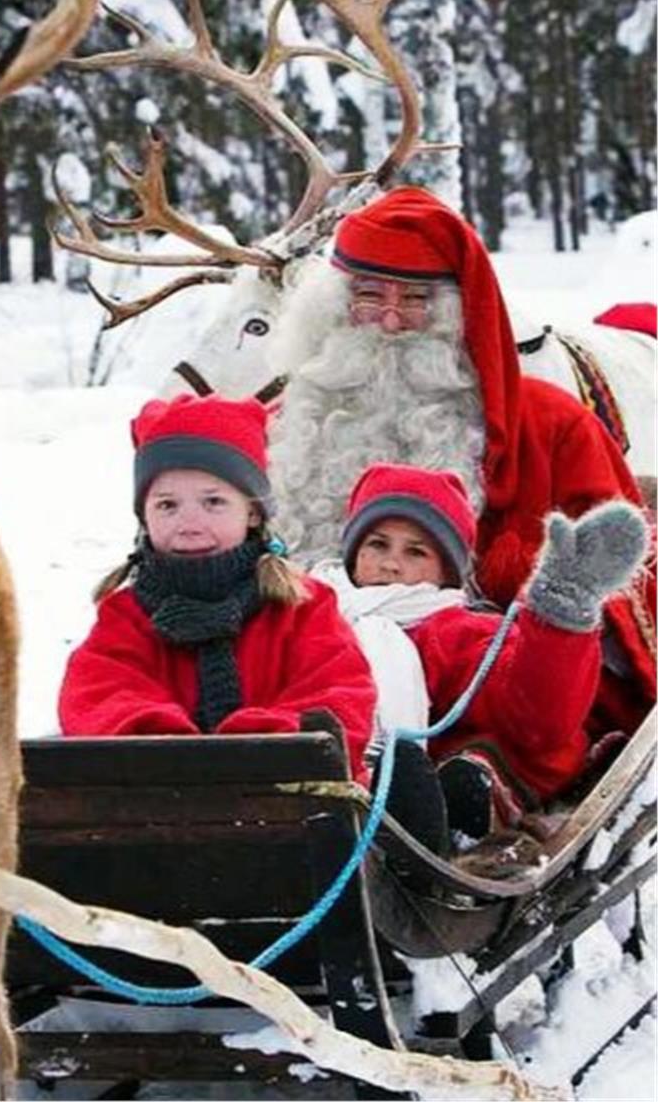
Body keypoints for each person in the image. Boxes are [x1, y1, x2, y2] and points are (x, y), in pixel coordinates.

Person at [266, 186, 655, 749]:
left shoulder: (553, 429)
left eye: (417, 299)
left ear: (456, 313)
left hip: (477, 703)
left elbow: (620, 602)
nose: (392, 321)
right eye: (369, 296)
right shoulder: (283, 427)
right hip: (297, 696)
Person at [313, 463, 650, 840]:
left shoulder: (455, 631)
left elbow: (534, 713)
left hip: (428, 781)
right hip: (321, 774)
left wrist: (560, 620)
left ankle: (457, 815)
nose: (392, 564)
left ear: (445, 573)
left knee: (475, 761)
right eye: (378, 544)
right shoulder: (313, 615)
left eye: (416, 552)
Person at [58, 393, 377, 776]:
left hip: (289, 797)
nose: (189, 523)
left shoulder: (301, 606)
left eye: (213, 502)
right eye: (167, 505)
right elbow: (100, 691)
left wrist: (254, 744)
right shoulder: (127, 616)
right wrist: (160, 741)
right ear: (143, 516)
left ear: (253, 512)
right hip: (160, 799)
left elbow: (337, 690)